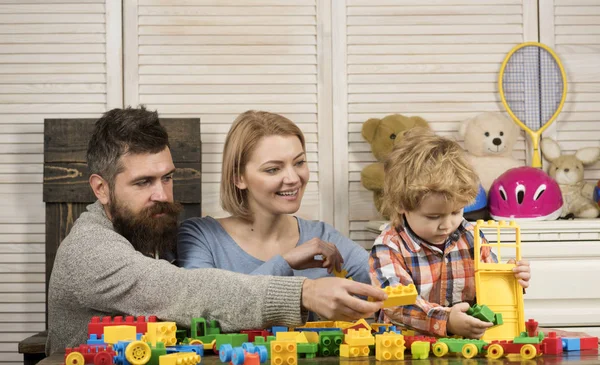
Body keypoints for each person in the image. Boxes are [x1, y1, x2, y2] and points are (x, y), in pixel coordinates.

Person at [47, 106, 387, 354]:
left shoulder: (146, 231)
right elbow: (186, 292)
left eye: (167, 177)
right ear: (101, 188)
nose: (162, 195)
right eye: (143, 182)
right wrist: (304, 293)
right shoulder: (91, 250)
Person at [369, 128, 531, 339]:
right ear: (402, 205)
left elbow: (489, 291)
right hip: (405, 349)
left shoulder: (472, 236)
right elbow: (396, 306)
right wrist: (447, 321)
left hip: (466, 348)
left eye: (456, 212)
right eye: (433, 217)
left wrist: (511, 279)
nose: (447, 225)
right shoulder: (389, 247)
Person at [177, 110, 370, 286]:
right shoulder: (201, 237)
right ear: (238, 178)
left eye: (299, 162)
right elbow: (203, 307)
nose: (294, 179)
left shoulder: (324, 237)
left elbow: (388, 284)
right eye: (273, 169)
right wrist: (286, 262)